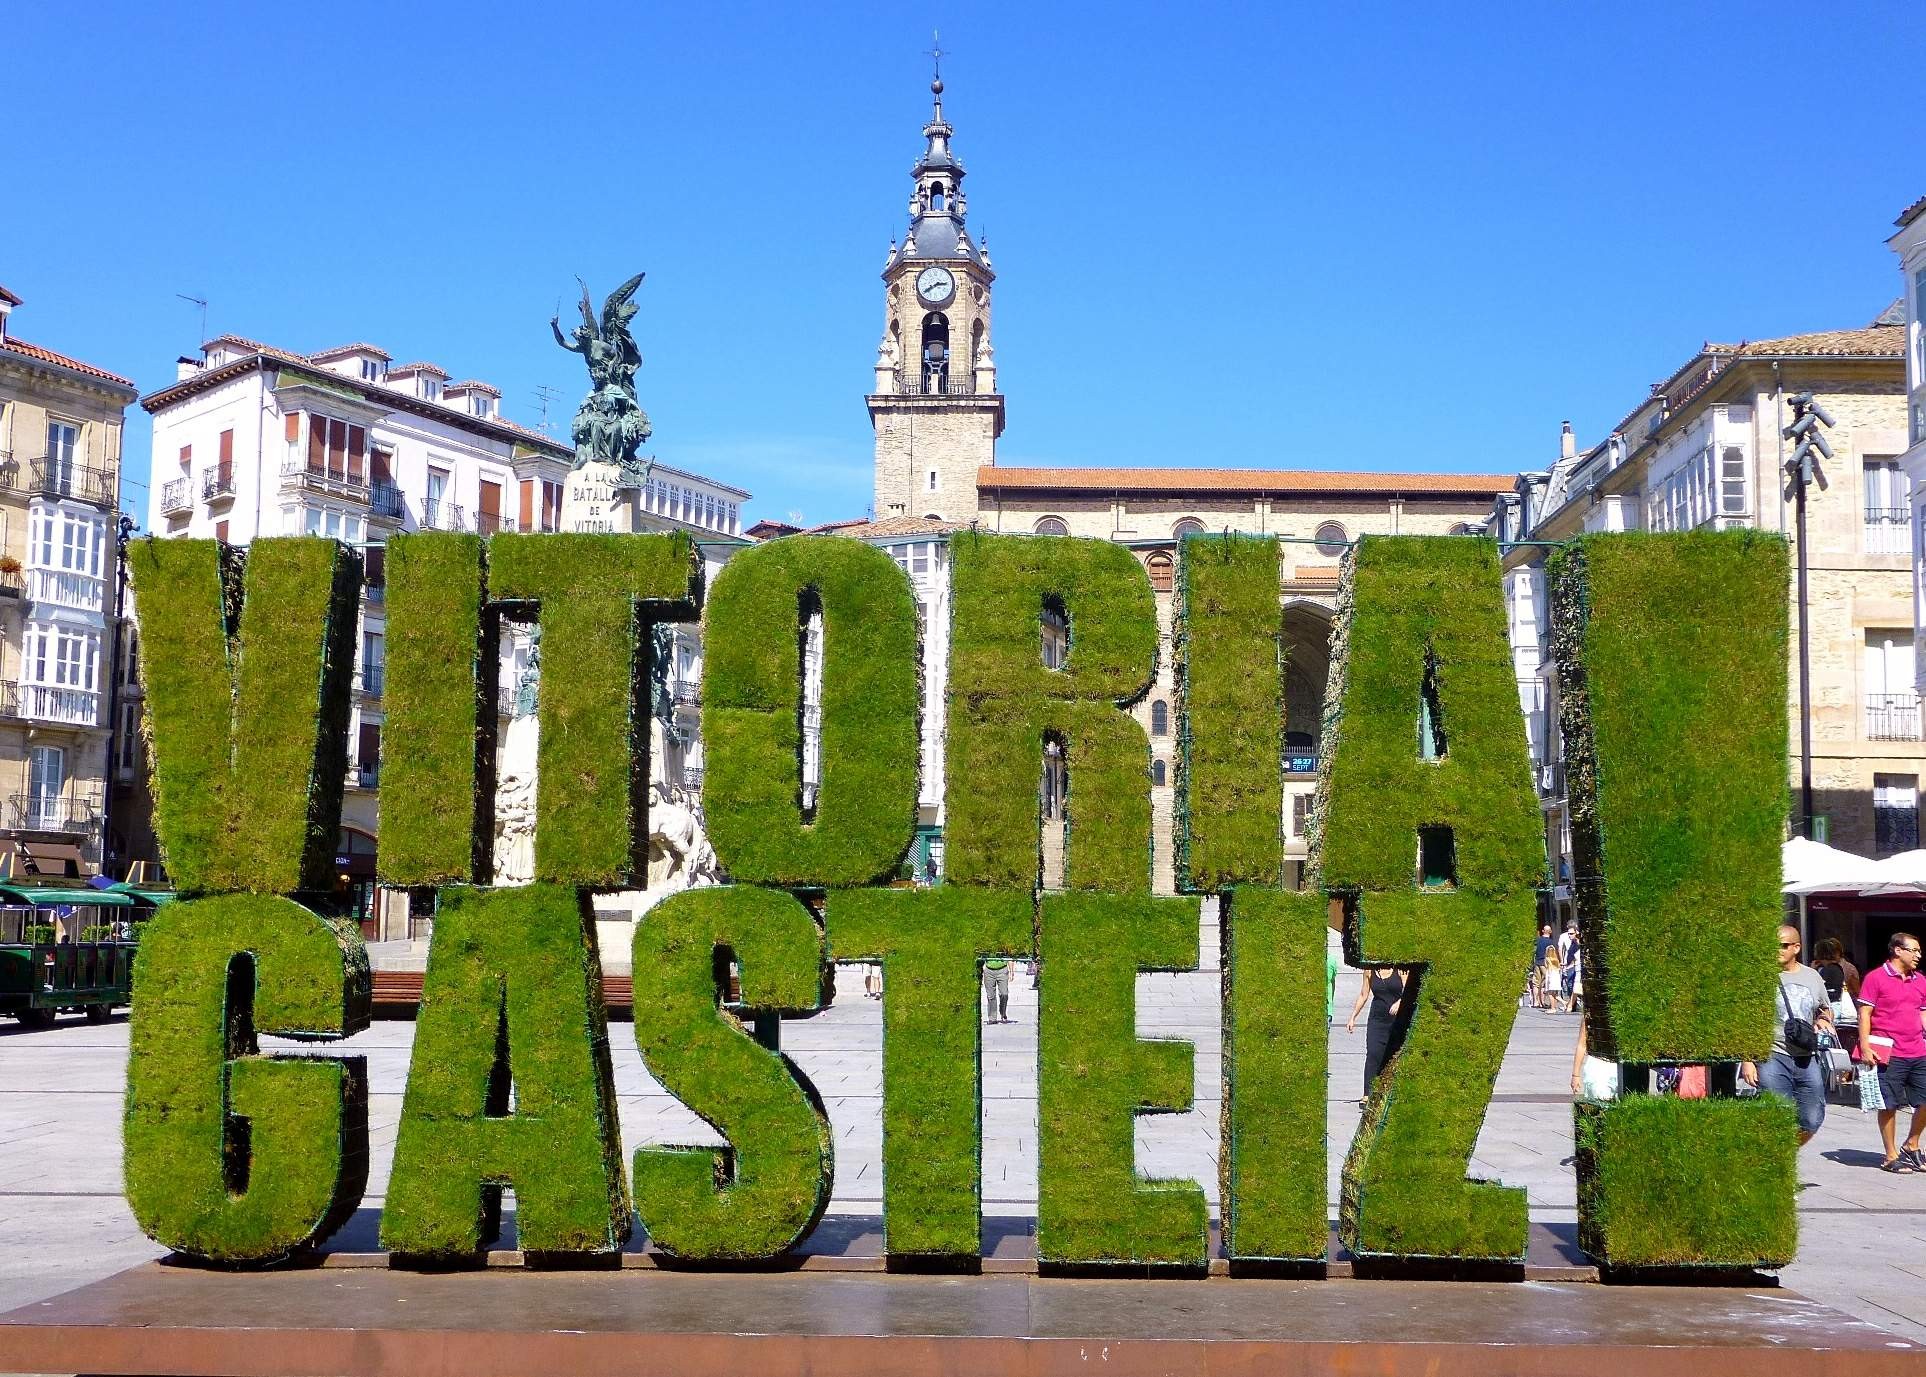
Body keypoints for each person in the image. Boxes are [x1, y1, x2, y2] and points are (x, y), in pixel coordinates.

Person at [1740, 925, 1835, 1145]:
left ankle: (1782, 1154)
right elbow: (1747, 1020)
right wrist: (1747, 1060)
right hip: (1772, 1053)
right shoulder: (1761, 976)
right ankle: (1777, 1161)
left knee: (1812, 1118)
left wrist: (1824, 1019)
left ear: (1796, 947)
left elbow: (1825, 1008)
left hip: (1805, 1054)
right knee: (1778, 1113)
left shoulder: (1812, 976)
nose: (1777, 950)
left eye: (1783, 946)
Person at [1858, 931, 1926, 1172]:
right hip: (1888, 1052)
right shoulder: (1875, 978)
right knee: (1889, 1104)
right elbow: (1865, 1013)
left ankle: (1912, 1143)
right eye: (1914, 950)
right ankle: (1890, 1155)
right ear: (1898, 950)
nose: (1919, 955)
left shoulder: (1920, 980)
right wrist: (1864, 1045)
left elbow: (1922, 1012)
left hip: (1918, 1049)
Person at [1346, 967, 1409, 1099]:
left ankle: (1390, 1092)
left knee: (1393, 1054)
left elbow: (1408, 991)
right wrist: (1353, 1017)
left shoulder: (1400, 969)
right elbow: (1363, 995)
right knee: (1373, 1053)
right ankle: (1367, 1094)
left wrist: (1399, 1002)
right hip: (1377, 1019)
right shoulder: (1369, 971)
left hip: (1396, 1020)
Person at [1557, 921, 1581, 1013]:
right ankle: (1573, 1005)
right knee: (1571, 985)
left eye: (1571, 934)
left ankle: (1571, 1005)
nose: (1569, 935)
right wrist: (1563, 962)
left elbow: (1577, 956)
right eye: (1569, 934)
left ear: (1576, 933)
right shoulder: (1573, 942)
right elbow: (1562, 949)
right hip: (1570, 965)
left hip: (1576, 966)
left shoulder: (1578, 943)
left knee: (1575, 985)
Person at [1532, 923, 1557, 1010]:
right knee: (1544, 983)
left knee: (1536, 983)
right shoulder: (1551, 942)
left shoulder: (1537, 940)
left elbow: (1534, 951)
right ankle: (1543, 1002)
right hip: (1545, 964)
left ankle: (1536, 1002)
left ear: (1543, 931)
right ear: (1550, 932)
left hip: (1537, 963)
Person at [983, 956, 1013, 1025]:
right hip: (989, 971)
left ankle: (1002, 1012)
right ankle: (992, 1018)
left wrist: (1011, 972)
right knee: (991, 996)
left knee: (1004, 993)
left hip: (1002, 970)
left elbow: (1010, 957)